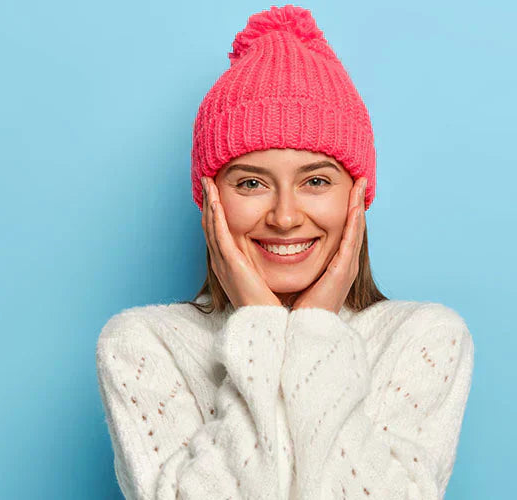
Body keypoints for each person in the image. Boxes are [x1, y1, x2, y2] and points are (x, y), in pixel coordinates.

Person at [94, 4, 475, 499]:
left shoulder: (422, 338)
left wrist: (313, 329)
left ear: (358, 196)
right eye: (251, 183)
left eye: (316, 181)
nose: (285, 217)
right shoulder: (141, 345)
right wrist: (261, 324)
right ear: (209, 201)